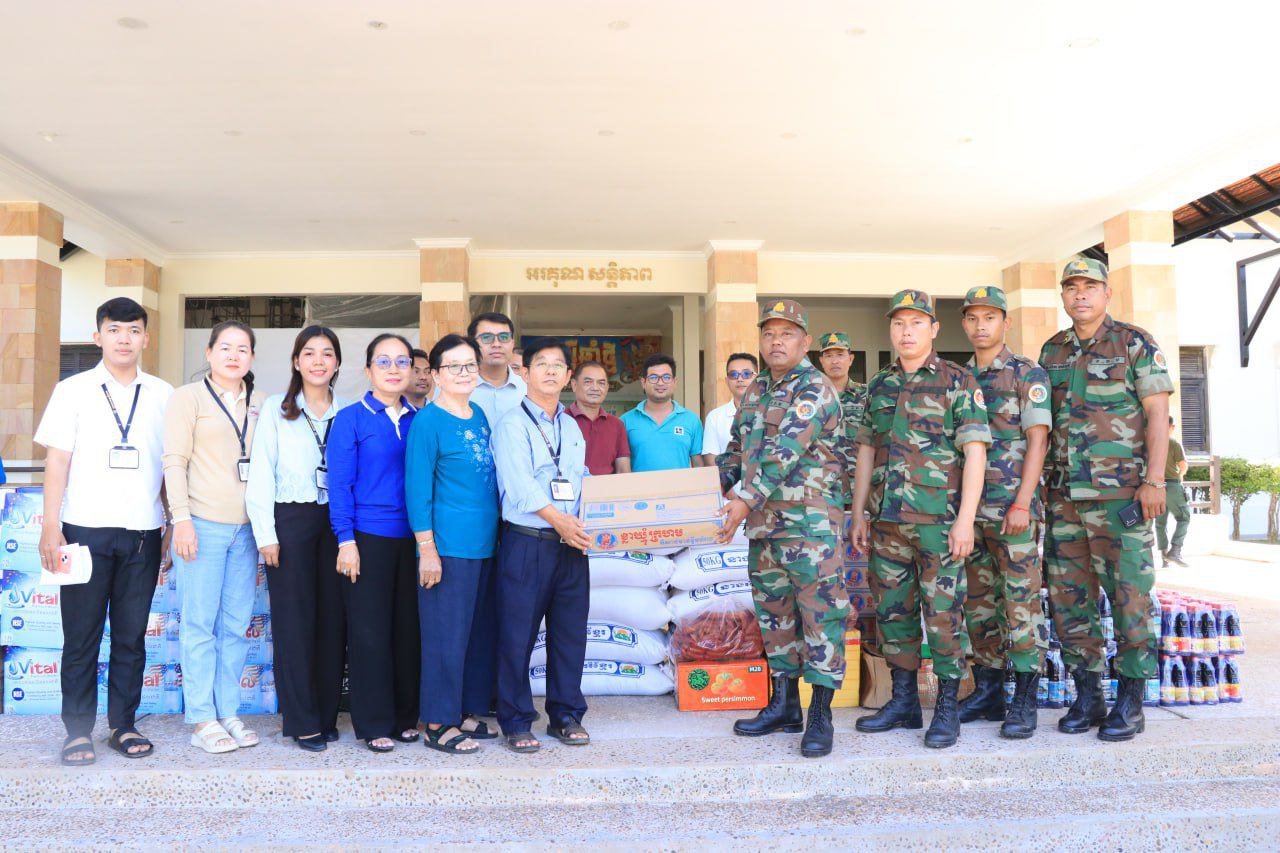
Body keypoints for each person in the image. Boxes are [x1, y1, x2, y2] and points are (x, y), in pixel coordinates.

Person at [35, 297, 173, 765]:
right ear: (98, 337)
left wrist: (172, 521)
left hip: (142, 532)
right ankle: (77, 731)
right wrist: (50, 525)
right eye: (114, 330)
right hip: (83, 531)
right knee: (82, 637)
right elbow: (58, 460)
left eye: (133, 330)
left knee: (131, 637)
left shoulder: (163, 394)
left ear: (146, 338)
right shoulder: (72, 390)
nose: (124, 339)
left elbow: (170, 466)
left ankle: (123, 725)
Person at [1040, 258, 1172, 742]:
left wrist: (1154, 480)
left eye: (1090, 286)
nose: (1080, 294)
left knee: (1129, 596)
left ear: (1107, 293)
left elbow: (1158, 413)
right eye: (1071, 287)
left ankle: (1131, 702)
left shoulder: (1134, 343)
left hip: (1121, 497)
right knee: (1069, 600)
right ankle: (1089, 696)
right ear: (1063, 295)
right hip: (1064, 498)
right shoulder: (1052, 350)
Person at [851, 289, 990, 750]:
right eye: (898, 324)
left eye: (915, 323)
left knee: (944, 616)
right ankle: (904, 702)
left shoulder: (957, 379)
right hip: (887, 522)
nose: (906, 332)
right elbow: (866, 449)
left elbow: (975, 452)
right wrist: (859, 511)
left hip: (939, 523)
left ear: (934, 329)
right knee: (893, 613)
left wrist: (965, 519)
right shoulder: (879, 385)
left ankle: (946, 706)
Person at [716, 300, 849, 759]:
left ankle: (821, 715)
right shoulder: (756, 390)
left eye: (787, 333)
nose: (776, 341)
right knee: (776, 618)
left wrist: (742, 501)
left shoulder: (814, 388)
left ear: (805, 342)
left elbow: (782, 453)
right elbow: (737, 451)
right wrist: (701, 491)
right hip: (765, 527)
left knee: (820, 618)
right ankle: (785, 705)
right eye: (769, 333)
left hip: (810, 529)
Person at [164, 320, 266, 754]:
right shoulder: (187, 397)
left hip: (247, 530)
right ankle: (202, 718)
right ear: (208, 353)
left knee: (236, 626)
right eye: (225, 347)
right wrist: (181, 519)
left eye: (242, 349)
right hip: (202, 525)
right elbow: (174, 460)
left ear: (252, 357)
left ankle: (229, 712)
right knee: (200, 625)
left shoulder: (261, 402)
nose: (233, 355)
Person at [245, 326, 348, 751]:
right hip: (290, 520)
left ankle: (325, 715)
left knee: (332, 622)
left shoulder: (348, 412)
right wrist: (266, 534)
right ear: (296, 361)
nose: (318, 361)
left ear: (337, 363)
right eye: (309, 353)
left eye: (327, 353)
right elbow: (260, 472)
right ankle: (302, 720)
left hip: (337, 523)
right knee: (294, 622)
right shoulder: (277, 408)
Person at [955, 286, 1051, 739]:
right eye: (973, 318)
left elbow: (1038, 441)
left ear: (1005, 322)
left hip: (1012, 510)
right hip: (970, 513)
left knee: (1020, 604)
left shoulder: (1025, 372)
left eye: (989, 317)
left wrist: (1023, 502)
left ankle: (1025, 699)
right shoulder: (960, 377)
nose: (981, 326)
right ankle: (989, 691)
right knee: (978, 605)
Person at [491, 338, 592, 754]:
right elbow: (520, 486)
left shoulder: (571, 427)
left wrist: (593, 521)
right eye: (541, 364)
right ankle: (516, 720)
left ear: (568, 377)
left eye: (558, 366)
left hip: (572, 546)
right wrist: (561, 522)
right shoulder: (511, 424)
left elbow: (581, 480)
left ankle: (565, 715)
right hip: (528, 542)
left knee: (569, 634)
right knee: (517, 636)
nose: (550, 371)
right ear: (525, 372)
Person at [405, 334, 501, 755]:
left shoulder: (479, 414)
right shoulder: (428, 422)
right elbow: (417, 488)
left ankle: (461, 710)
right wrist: (427, 549)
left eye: (470, 365)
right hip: (447, 548)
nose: (464, 373)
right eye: (454, 366)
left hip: (485, 544)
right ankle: (437, 722)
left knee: (474, 636)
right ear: (437, 374)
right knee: (445, 637)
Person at [327, 333, 422, 752]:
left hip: (414, 541)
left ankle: (404, 718)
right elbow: (339, 484)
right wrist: (346, 540)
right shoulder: (351, 418)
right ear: (368, 370)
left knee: (407, 631)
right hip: (367, 538)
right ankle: (373, 723)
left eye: (402, 362)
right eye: (384, 362)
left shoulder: (420, 419)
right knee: (370, 633)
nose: (393, 369)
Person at [620, 354, 704, 472]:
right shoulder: (625, 421)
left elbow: (699, 466)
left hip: (681, 485)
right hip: (639, 485)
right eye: (653, 377)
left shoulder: (692, 420)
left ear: (675, 382)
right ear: (643, 382)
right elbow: (622, 468)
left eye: (666, 377)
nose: (660, 383)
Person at [817, 332, 867, 505]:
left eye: (840, 355)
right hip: (821, 489)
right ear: (821, 361)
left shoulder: (867, 395)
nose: (834, 361)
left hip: (859, 489)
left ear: (851, 359)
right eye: (829, 356)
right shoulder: (811, 397)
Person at [569, 360, 632, 475]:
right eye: (588, 382)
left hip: (608, 487)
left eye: (601, 383)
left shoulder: (617, 425)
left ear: (607, 387)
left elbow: (623, 471)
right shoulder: (561, 420)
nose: (595, 388)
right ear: (574, 385)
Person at [468, 312, 527, 427]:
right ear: (472, 344)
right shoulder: (455, 388)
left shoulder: (528, 390)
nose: (496, 344)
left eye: (504, 337)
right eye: (486, 337)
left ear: (512, 343)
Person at [701, 353, 757, 466]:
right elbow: (711, 461)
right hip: (727, 478)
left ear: (757, 378)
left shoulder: (770, 411)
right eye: (733, 375)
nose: (740, 379)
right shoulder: (715, 417)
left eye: (746, 374)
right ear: (727, 381)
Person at [1159, 416, 1191, 567]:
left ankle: (1164, 558)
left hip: (1155, 486)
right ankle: (1175, 551)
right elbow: (1183, 466)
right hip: (1172, 485)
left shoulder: (1150, 442)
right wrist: (1180, 477)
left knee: (1160, 523)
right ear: (1171, 427)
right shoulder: (1173, 443)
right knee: (1184, 518)